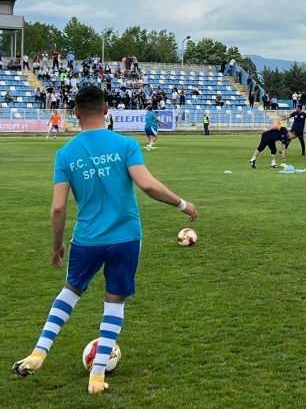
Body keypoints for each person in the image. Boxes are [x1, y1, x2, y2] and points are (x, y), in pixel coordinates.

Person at [11, 85, 198, 395]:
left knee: (70, 292)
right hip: (126, 237)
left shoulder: (65, 153)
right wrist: (182, 204)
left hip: (87, 239)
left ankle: (38, 353)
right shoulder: (124, 145)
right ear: (106, 109)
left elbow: (58, 207)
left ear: (75, 114)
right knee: (114, 302)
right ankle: (97, 377)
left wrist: (57, 245)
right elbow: (148, 185)